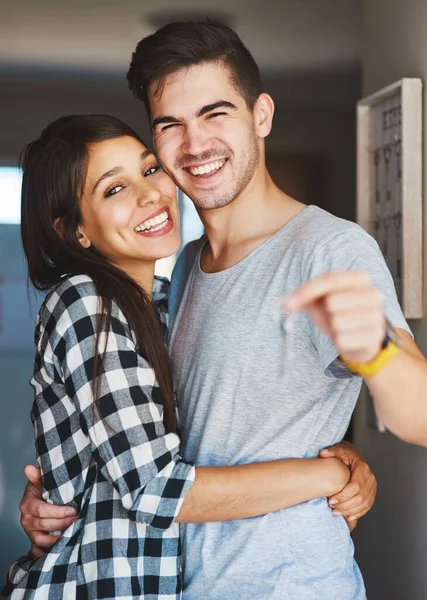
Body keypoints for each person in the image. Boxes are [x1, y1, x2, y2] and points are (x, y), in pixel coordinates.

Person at [18, 21, 411, 599]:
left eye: (216, 112)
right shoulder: (172, 278)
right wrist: (330, 470)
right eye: (170, 126)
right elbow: (159, 465)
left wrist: (377, 369)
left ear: (262, 116)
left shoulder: (331, 249)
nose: (194, 144)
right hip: (177, 582)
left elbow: (414, 409)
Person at [3, 114, 356, 599]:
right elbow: (158, 488)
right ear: (74, 232)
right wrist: (331, 474)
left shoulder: (169, 303)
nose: (150, 194)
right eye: (113, 189)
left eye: (149, 170)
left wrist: (352, 460)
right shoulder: (85, 301)